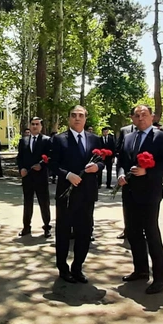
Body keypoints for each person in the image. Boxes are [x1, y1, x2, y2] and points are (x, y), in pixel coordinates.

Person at [116, 104, 163, 294]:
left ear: (152, 117)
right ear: (132, 119)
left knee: (151, 234)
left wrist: (147, 171)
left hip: (150, 193)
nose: (140, 118)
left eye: (144, 115)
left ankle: (160, 279)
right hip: (130, 192)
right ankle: (141, 270)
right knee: (133, 233)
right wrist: (120, 175)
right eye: (137, 115)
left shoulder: (160, 137)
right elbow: (122, 161)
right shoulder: (128, 137)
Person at [51, 105, 104, 283]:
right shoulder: (59, 140)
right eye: (73, 115)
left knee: (84, 232)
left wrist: (98, 167)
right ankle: (63, 268)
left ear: (85, 118)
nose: (77, 118)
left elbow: (103, 161)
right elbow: (52, 165)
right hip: (66, 193)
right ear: (68, 119)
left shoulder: (94, 139)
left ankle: (77, 267)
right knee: (63, 232)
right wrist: (67, 175)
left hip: (87, 193)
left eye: (80, 115)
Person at [18, 117, 52, 238]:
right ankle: (26, 227)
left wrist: (42, 165)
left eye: (37, 124)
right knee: (27, 203)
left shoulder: (47, 140)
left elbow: (50, 157)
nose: (34, 126)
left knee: (44, 203)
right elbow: (20, 157)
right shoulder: (24, 141)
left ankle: (47, 227)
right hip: (27, 177)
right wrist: (21, 168)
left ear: (41, 126)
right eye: (32, 124)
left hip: (41, 177)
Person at [115, 122, 136, 241]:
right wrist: (121, 173)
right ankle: (127, 229)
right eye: (137, 115)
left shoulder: (157, 133)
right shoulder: (125, 131)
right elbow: (120, 152)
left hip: (147, 179)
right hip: (127, 177)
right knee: (127, 206)